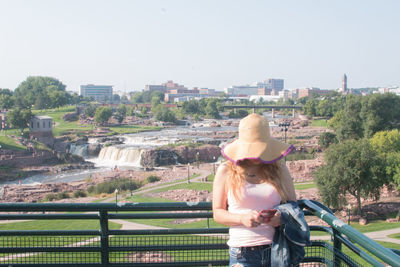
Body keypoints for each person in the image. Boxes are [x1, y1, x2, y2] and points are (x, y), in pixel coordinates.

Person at [213, 113, 304, 267]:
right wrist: (242, 219)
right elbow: (218, 213)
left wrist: (280, 218)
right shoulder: (226, 170)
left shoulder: (280, 169)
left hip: (277, 251)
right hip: (242, 253)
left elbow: (293, 206)